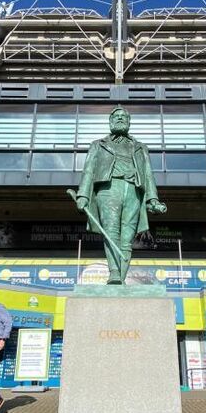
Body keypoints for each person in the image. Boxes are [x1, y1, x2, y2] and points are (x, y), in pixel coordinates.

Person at [75, 106, 167, 284]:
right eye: (116, 116)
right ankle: (114, 273)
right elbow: (88, 170)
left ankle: (121, 278)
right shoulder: (98, 145)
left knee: (127, 238)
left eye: (123, 116)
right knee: (111, 232)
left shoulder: (141, 147)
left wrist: (153, 199)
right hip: (109, 188)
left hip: (133, 190)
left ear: (129, 122)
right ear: (110, 122)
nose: (119, 118)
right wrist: (83, 195)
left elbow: (148, 174)